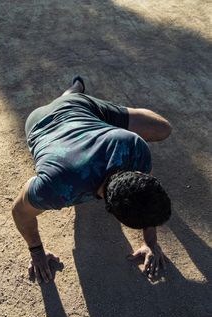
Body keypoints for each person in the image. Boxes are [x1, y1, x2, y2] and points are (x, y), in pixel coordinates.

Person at [12, 76, 172, 284]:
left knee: (163, 128)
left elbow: (145, 194)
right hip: (41, 122)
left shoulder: (133, 146)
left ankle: (76, 91)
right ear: (109, 209)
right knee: (68, 103)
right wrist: (36, 251)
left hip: (84, 111)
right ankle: (72, 94)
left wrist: (150, 242)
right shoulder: (59, 187)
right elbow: (19, 211)